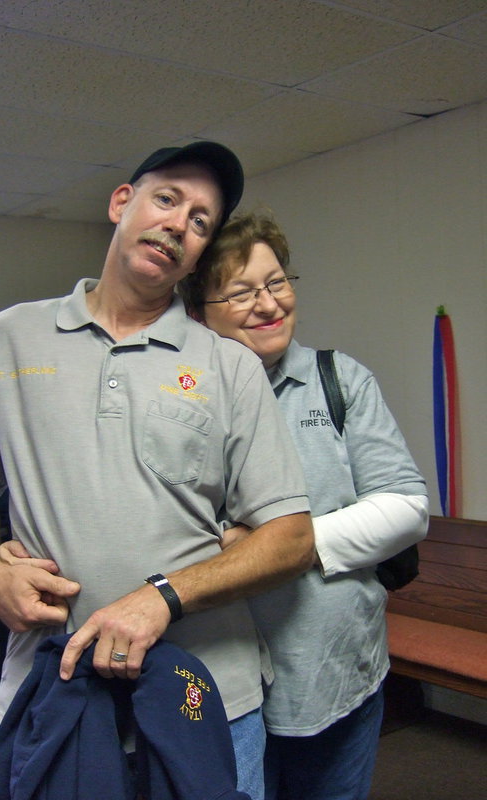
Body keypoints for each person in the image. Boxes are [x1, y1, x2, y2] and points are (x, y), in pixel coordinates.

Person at [0, 143, 314, 799]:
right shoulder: (9, 339)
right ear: (122, 203)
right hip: (51, 690)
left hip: (207, 699)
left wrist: (160, 597)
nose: (178, 224)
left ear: (199, 254)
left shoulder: (229, 366)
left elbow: (291, 537)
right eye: (167, 199)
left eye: (201, 221)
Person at [178, 211, 429, 800]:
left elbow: (406, 506)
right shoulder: (180, 398)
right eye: (240, 292)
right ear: (198, 313)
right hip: (219, 676)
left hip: (334, 671)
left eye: (277, 283)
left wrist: (282, 546)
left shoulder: (341, 381)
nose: (267, 304)